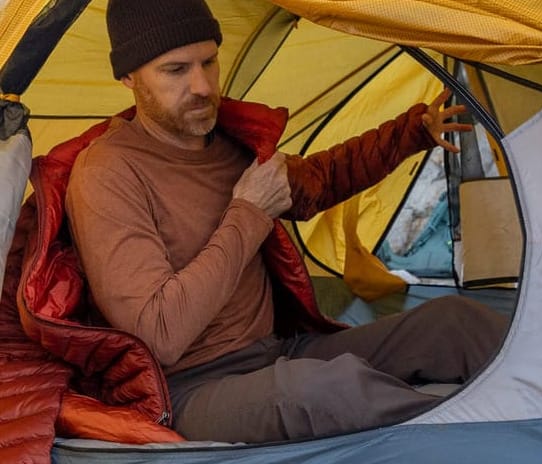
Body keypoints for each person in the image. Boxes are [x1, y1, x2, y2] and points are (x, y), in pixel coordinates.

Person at [65, 0, 507, 443]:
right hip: (187, 389)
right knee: (329, 391)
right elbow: (159, 334)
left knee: (455, 322)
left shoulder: (229, 144)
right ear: (128, 77)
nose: (202, 86)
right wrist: (249, 213)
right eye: (175, 70)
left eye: (209, 62)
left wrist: (411, 133)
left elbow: (322, 180)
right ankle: (499, 433)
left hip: (279, 351)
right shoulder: (107, 173)